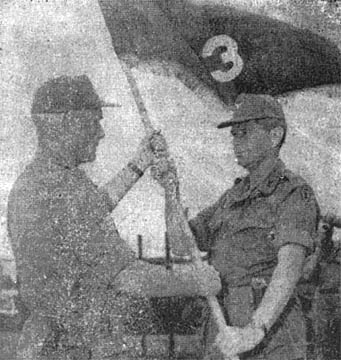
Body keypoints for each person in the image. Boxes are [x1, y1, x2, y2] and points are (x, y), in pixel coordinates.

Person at [7, 75, 221, 360]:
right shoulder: (63, 188)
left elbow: (92, 209)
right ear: (70, 122)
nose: (101, 133)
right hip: (67, 349)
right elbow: (128, 277)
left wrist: (138, 164)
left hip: (47, 344)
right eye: (95, 120)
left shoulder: (42, 181)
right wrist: (195, 281)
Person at [158, 94, 320, 360]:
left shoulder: (293, 193)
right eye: (234, 134)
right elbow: (180, 244)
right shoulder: (231, 197)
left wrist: (255, 330)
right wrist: (170, 191)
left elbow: (289, 268)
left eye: (244, 133)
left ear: (275, 135)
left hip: (271, 335)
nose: (235, 142)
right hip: (223, 327)